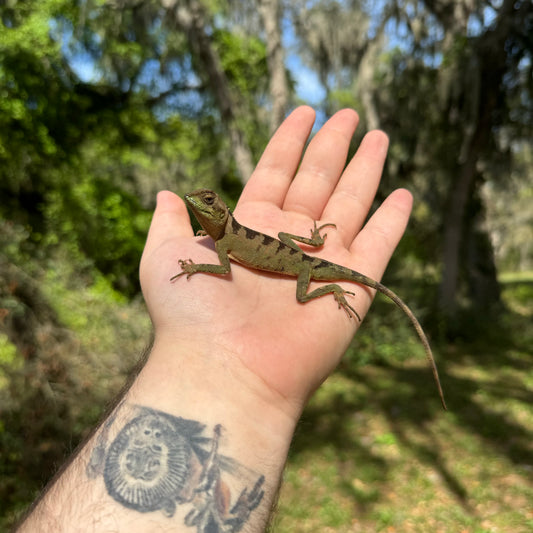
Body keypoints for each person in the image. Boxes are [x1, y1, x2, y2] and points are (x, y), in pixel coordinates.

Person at [16, 106, 414, 532]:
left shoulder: (225, 246)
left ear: (220, 211)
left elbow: (223, 271)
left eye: (207, 202)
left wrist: (316, 266)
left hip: (306, 266)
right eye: (201, 203)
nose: (199, 205)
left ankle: (329, 284)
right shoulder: (222, 239)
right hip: (286, 255)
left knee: (304, 292)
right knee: (288, 254)